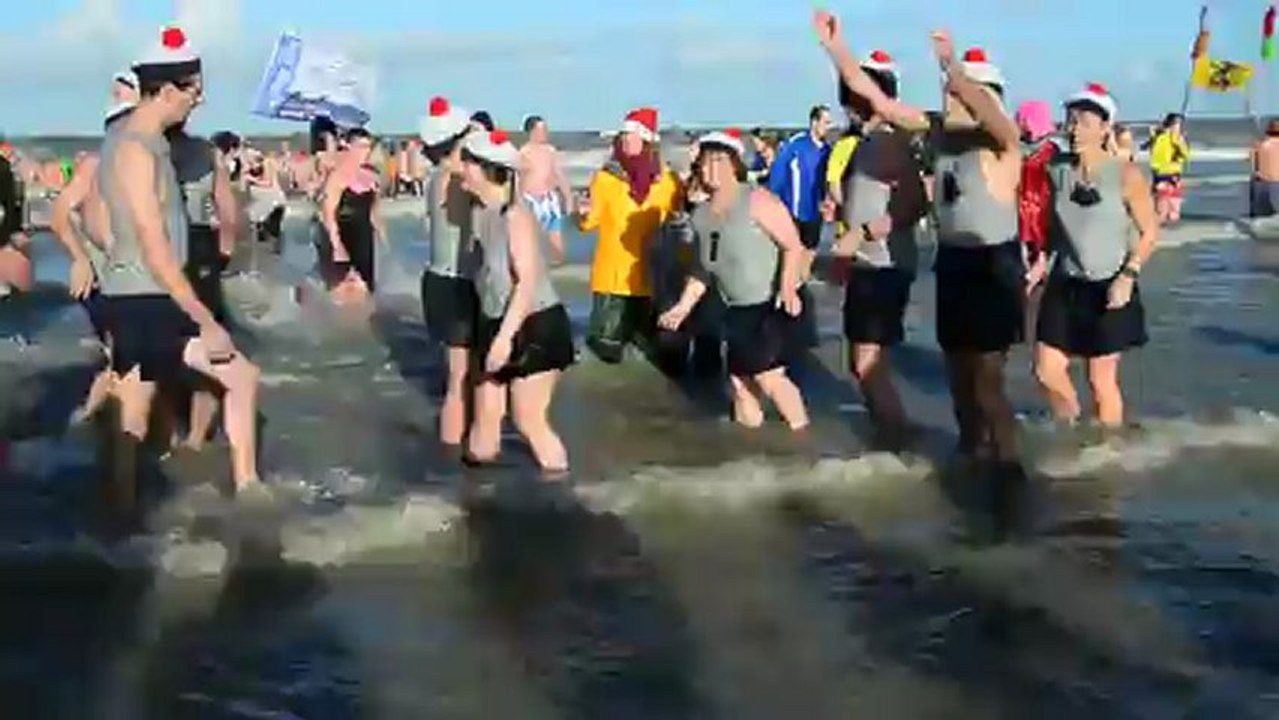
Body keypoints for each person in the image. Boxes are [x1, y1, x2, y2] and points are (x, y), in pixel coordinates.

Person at [815, 13, 1025, 472]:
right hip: (953, 264)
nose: (949, 95)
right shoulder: (935, 134)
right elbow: (877, 100)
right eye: (949, 89)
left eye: (962, 92)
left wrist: (954, 68)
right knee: (958, 380)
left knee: (987, 381)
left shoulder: (1004, 145)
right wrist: (837, 49)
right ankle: (972, 456)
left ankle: (1010, 470)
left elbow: (991, 114)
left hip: (994, 265)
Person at [97, 26, 260, 500]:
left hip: (134, 293)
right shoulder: (137, 149)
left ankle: (118, 513)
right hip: (150, 296)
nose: (198, 101)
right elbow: (155, 245)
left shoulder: (138, 140)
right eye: (193, 91)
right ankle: (250, 493)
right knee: (242, 377)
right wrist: (205, 318)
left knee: (136, 400)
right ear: (166, 89)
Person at [658, 129, 809, 431]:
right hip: (734, 309)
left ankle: (803, 439)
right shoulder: (701, 215)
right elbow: (703, 270)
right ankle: (751, 450)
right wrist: (682, 308)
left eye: (719, 160)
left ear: (734, 164)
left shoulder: (757, 199)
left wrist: (788, 287)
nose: (711, 168)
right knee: (739, 383)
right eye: (705, 162)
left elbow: (794, 245)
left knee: (769, 378)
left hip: (771, 303)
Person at [1033, 83, 1158, 428]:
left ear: (1105, 128)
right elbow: (1053, 224)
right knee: (1046, 372)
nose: (1074, 129)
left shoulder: (1125, 174)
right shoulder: (1056, 169)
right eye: (1070, 120)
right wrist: (1040, 259)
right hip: (1065, 282)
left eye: (1084, 121)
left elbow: (1150, 232)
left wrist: (1128, 276)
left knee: (1100, 381)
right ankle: (1072, 427)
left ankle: (1109, 450)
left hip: (1110, 285)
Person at [462, 129, 575, 474]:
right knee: (484, 426)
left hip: (534, 323)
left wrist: (503, 340)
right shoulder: (481, 210)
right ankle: (475, 501)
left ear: (487, 170)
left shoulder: (515, 216)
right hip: (497, 319)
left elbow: (526, 284)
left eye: (467, 163)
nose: (461, 168)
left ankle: (561, 496)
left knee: (528, 420)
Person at [830, 54, 926, 451]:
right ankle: (891, 438)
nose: (847, 104)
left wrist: (862, 233)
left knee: (867, 363)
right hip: (869, 263)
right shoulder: (866, 141)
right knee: (865, 362)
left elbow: (914, 203)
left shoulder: (889, 138)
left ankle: (898, 444)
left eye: (853, 95)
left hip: (884, 263)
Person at [48, 78, 139, 424]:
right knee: (126, 364)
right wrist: (80, 258)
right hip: (104, 281)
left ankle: (97, 431)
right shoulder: (94, 166)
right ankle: (95, 432)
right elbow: (59, 215)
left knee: (128, 364)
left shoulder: (149, 167)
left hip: (135, 281)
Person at [577, 107, 681, 364]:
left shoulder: (668, 182)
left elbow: (677, 225)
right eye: (622, 136)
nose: (625, 141)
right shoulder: (605, 178)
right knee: (607, 351)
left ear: (646, 141)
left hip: (651, 278)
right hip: (612, 280)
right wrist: (581, 214)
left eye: (631, 136)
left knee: (656, 354)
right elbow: (590, 223)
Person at [168, 123, 240, 451]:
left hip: (160, 246)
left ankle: (170, 432)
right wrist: (223, 251)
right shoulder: (204, 152)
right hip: (199, 245)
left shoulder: (140, 149)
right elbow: (228, 212)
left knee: (162, 340)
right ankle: (196, 438)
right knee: (208, 337)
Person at [418, 95, 479, 450]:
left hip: (437, 280)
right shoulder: (458, 180)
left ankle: (455, 444)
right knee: (460, 378)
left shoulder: (436, 176)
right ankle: (454, 449)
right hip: (458, 282)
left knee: (457, 375)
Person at [320, 127, 387, 299]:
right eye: (360, 147)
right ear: (348, 146)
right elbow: (328, 213)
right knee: (342, 288)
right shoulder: (337, 176)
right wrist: (336, 245)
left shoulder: (371, 175)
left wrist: (384, 237)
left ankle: (364, 322)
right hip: (343, 233)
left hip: (364, 236)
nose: (364, 152)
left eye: (368, 147)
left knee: (366, 286)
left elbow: (373, 210)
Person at [519, 114, 573, 263]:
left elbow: (559, 175)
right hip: (531, 198)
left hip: (549, 199)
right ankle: (534, 263)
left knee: (555, 233)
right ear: (531, 132)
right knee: (533, 236)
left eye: (545, 129)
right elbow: (519, 178)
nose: (545, 133)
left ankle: (558, 261)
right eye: (541, 130)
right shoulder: (524, 152)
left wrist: (568, 198)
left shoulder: (550, 151)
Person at [1148, 113, 1189, 224]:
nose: (1180, 127)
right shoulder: (1172, 137)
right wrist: (1179, 140)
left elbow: (1153, 153)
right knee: (1168, 201)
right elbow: (1185, 155)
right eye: (1178, 124)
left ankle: (1161, 216)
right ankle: (1163, 217)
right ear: (1173, 125)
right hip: (1168, 173)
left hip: (1162, 172)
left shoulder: (1159, 136)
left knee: (1165, 200)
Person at [1249, 119, 1279, 218]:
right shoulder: (1260, 146)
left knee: (1260, 219)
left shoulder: (1259, 146)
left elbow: (1253, 167)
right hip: (1272, 184)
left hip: (1263, 184)